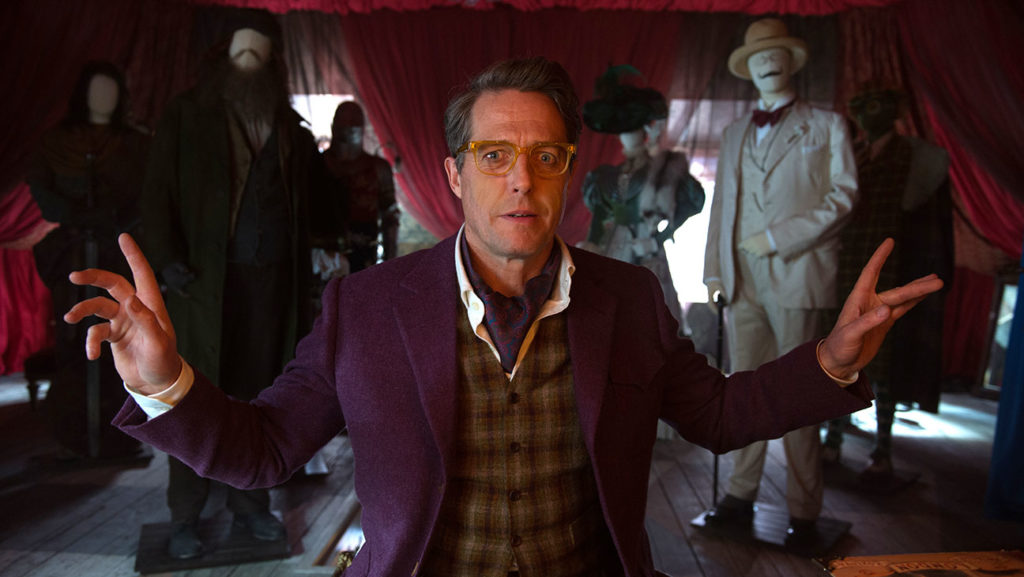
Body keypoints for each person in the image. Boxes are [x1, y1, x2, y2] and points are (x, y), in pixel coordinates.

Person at [65, 57, 941, 576]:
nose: (521, 179)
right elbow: (264, 449)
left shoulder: (629, 299)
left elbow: (717, 413)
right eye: (493, 155)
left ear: (567, 170)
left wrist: (831, 357)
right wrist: (165, 384)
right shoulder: (364, 307)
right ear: (454, 175)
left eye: (544, 156)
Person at [139, 9, 319, 559]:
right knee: (189, 397)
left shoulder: (288, 129)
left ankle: (252, 505)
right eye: (242, 48)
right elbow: (157, 193)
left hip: (270, 291)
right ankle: (185, 516)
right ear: (222, 56)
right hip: (202, 287)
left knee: (259, 397)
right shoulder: (186, 115)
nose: (250, 58)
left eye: (260, 51)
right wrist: (167, 260)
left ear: (273, 62)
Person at [702, 18, 858, 544]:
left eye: (776, 52)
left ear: (792, 61)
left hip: (799, 274)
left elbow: (843, 196)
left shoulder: (827, 125)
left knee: (802, 391)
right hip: (741, 278)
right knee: (744, 387)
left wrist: (778, 237)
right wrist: (715, 271)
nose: (768, 61)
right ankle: (739, 492)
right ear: (747, 68)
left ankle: (804, 508)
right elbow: (722, 206)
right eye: (758, 55)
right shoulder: (733, 134)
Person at [822, 85, 953, 480]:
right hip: (849, 269)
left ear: (894, 111)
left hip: (895, 271)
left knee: (887, 365)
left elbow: (931, 227)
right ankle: (833, 439)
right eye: (860, 108)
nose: (867, 116)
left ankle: (882, 449)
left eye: (876, 106)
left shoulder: (917, 159)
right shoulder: (853, 157)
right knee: (842, 352)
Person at [27, 60, 148, 461]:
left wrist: (114, 219)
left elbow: (147, 194)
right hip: (73, 252)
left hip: (116, 251)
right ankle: (75, 433)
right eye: (97, 90)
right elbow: (43, 189)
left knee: (120, 337)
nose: (104, 98)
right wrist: (77, 215)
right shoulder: (56, 143)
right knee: (74, 339)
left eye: (110, 90)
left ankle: (119, 432)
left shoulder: (135, 144)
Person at [580, 65, 705, 325]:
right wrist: (591, 246)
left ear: (645, 130)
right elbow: (600, 217)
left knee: (649, 315)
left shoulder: (663, 169)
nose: (627, 137)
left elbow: (693, 203)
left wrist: (659, 238)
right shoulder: (605, 176)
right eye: (623, 131)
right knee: (611, 315)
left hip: (646, 249)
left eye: (633, 129)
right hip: (611, 249)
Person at [321, 100, 399, 273]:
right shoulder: (318, 165)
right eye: (342, 128)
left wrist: (390, 266)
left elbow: (390, 218)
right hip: (323, 254)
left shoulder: (378, 168)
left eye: (351, 130)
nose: (346, 136)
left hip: (364, 253)